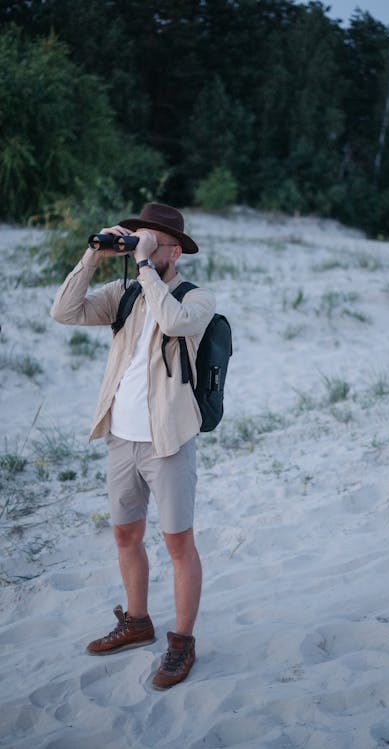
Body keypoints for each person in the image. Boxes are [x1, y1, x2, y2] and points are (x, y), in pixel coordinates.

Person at [51, 203, 215, 689]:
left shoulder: (196, 298)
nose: (142, 247)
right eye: (139, 239)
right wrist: (93, 255)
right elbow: (64, 311)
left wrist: (145, 266)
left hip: (167, 443)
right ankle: (138, 622)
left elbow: (175, 323)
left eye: (152, 242)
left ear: (174, 251)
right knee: (125, 536)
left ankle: (181, 643)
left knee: (177, 543)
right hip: (121, 438)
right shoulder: (123, 293)